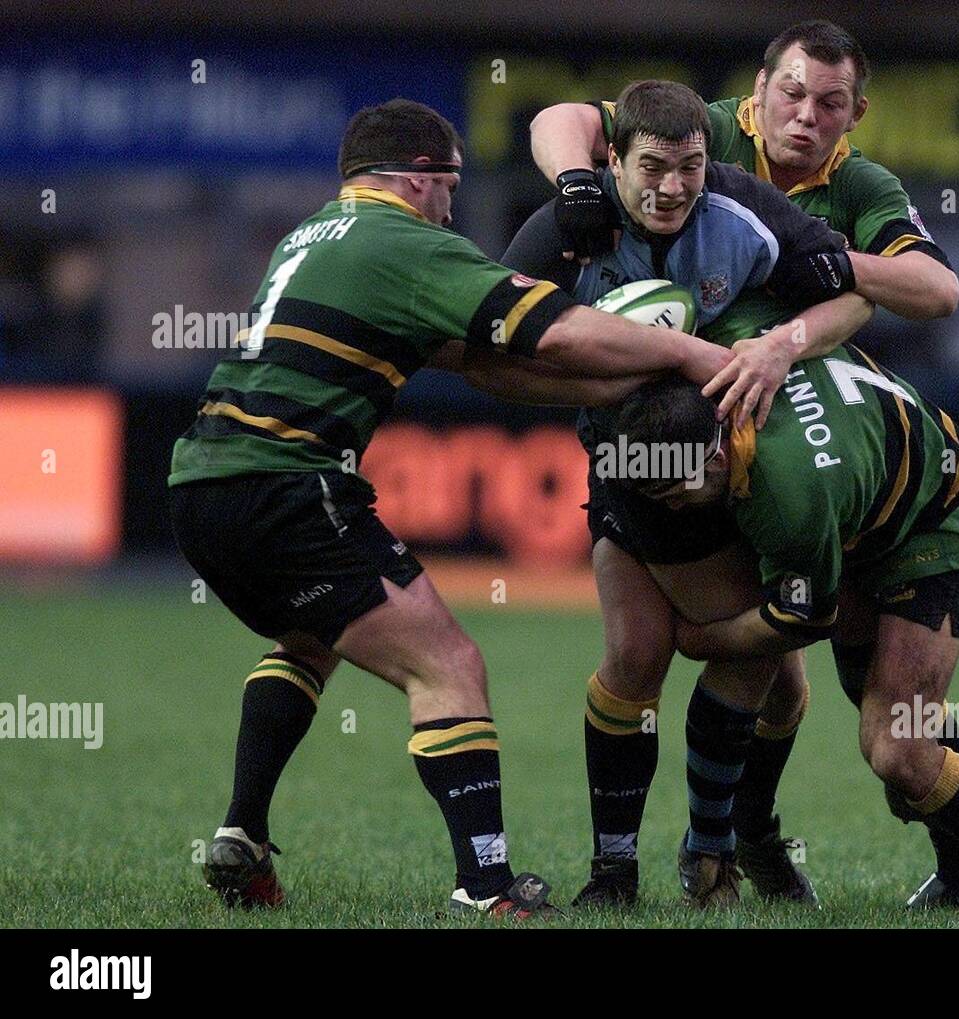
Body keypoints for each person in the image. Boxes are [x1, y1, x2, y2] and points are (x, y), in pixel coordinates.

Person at [166, 98, 732, 918]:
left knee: (309, 637)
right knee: (450, 667)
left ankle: (242, 834)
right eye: (449, 186)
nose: (452, 207)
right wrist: (690, 352)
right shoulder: (404, 241)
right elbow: (555, 331)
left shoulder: (312, 235)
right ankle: (488, 885)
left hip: (201, 484)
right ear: (417, 180)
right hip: (286, 486)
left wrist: (631, 381)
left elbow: (483, 361)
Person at [529, 20, 959, 907]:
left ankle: (771, 843)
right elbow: (560, 117)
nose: (806, 115)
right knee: (653, 655)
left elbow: (937, 290)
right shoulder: (698, 135)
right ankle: (659, 866)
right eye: (791, 92)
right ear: (757, 89)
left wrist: (818, 271)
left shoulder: (859, 184)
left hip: (786, 455)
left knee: (828, 680)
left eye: (830, 103)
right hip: (661, 444)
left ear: (857, 112)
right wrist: (577, 182)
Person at [501, 78, 875, 906]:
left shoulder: (741, 211)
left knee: (780, 680)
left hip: (742, 464)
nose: (673, 187)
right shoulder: (566, 230)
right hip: (635, 465)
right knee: (649, 655)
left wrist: (787, 342)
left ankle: (742, 843)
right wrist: (609, 379)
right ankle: (627, 872)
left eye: (691, 166)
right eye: (653, 168)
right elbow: (489, 357)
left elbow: (856, 291)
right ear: (615, 160)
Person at [609, 352, 959, 918]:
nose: (672, 511)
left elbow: (803, 617)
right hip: (873, 506)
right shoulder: (745, 356)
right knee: (874, 695)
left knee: (897, 748)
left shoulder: (786, 495)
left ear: (715, 457)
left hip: (940, 522)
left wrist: (700, 640)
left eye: (673, 495)